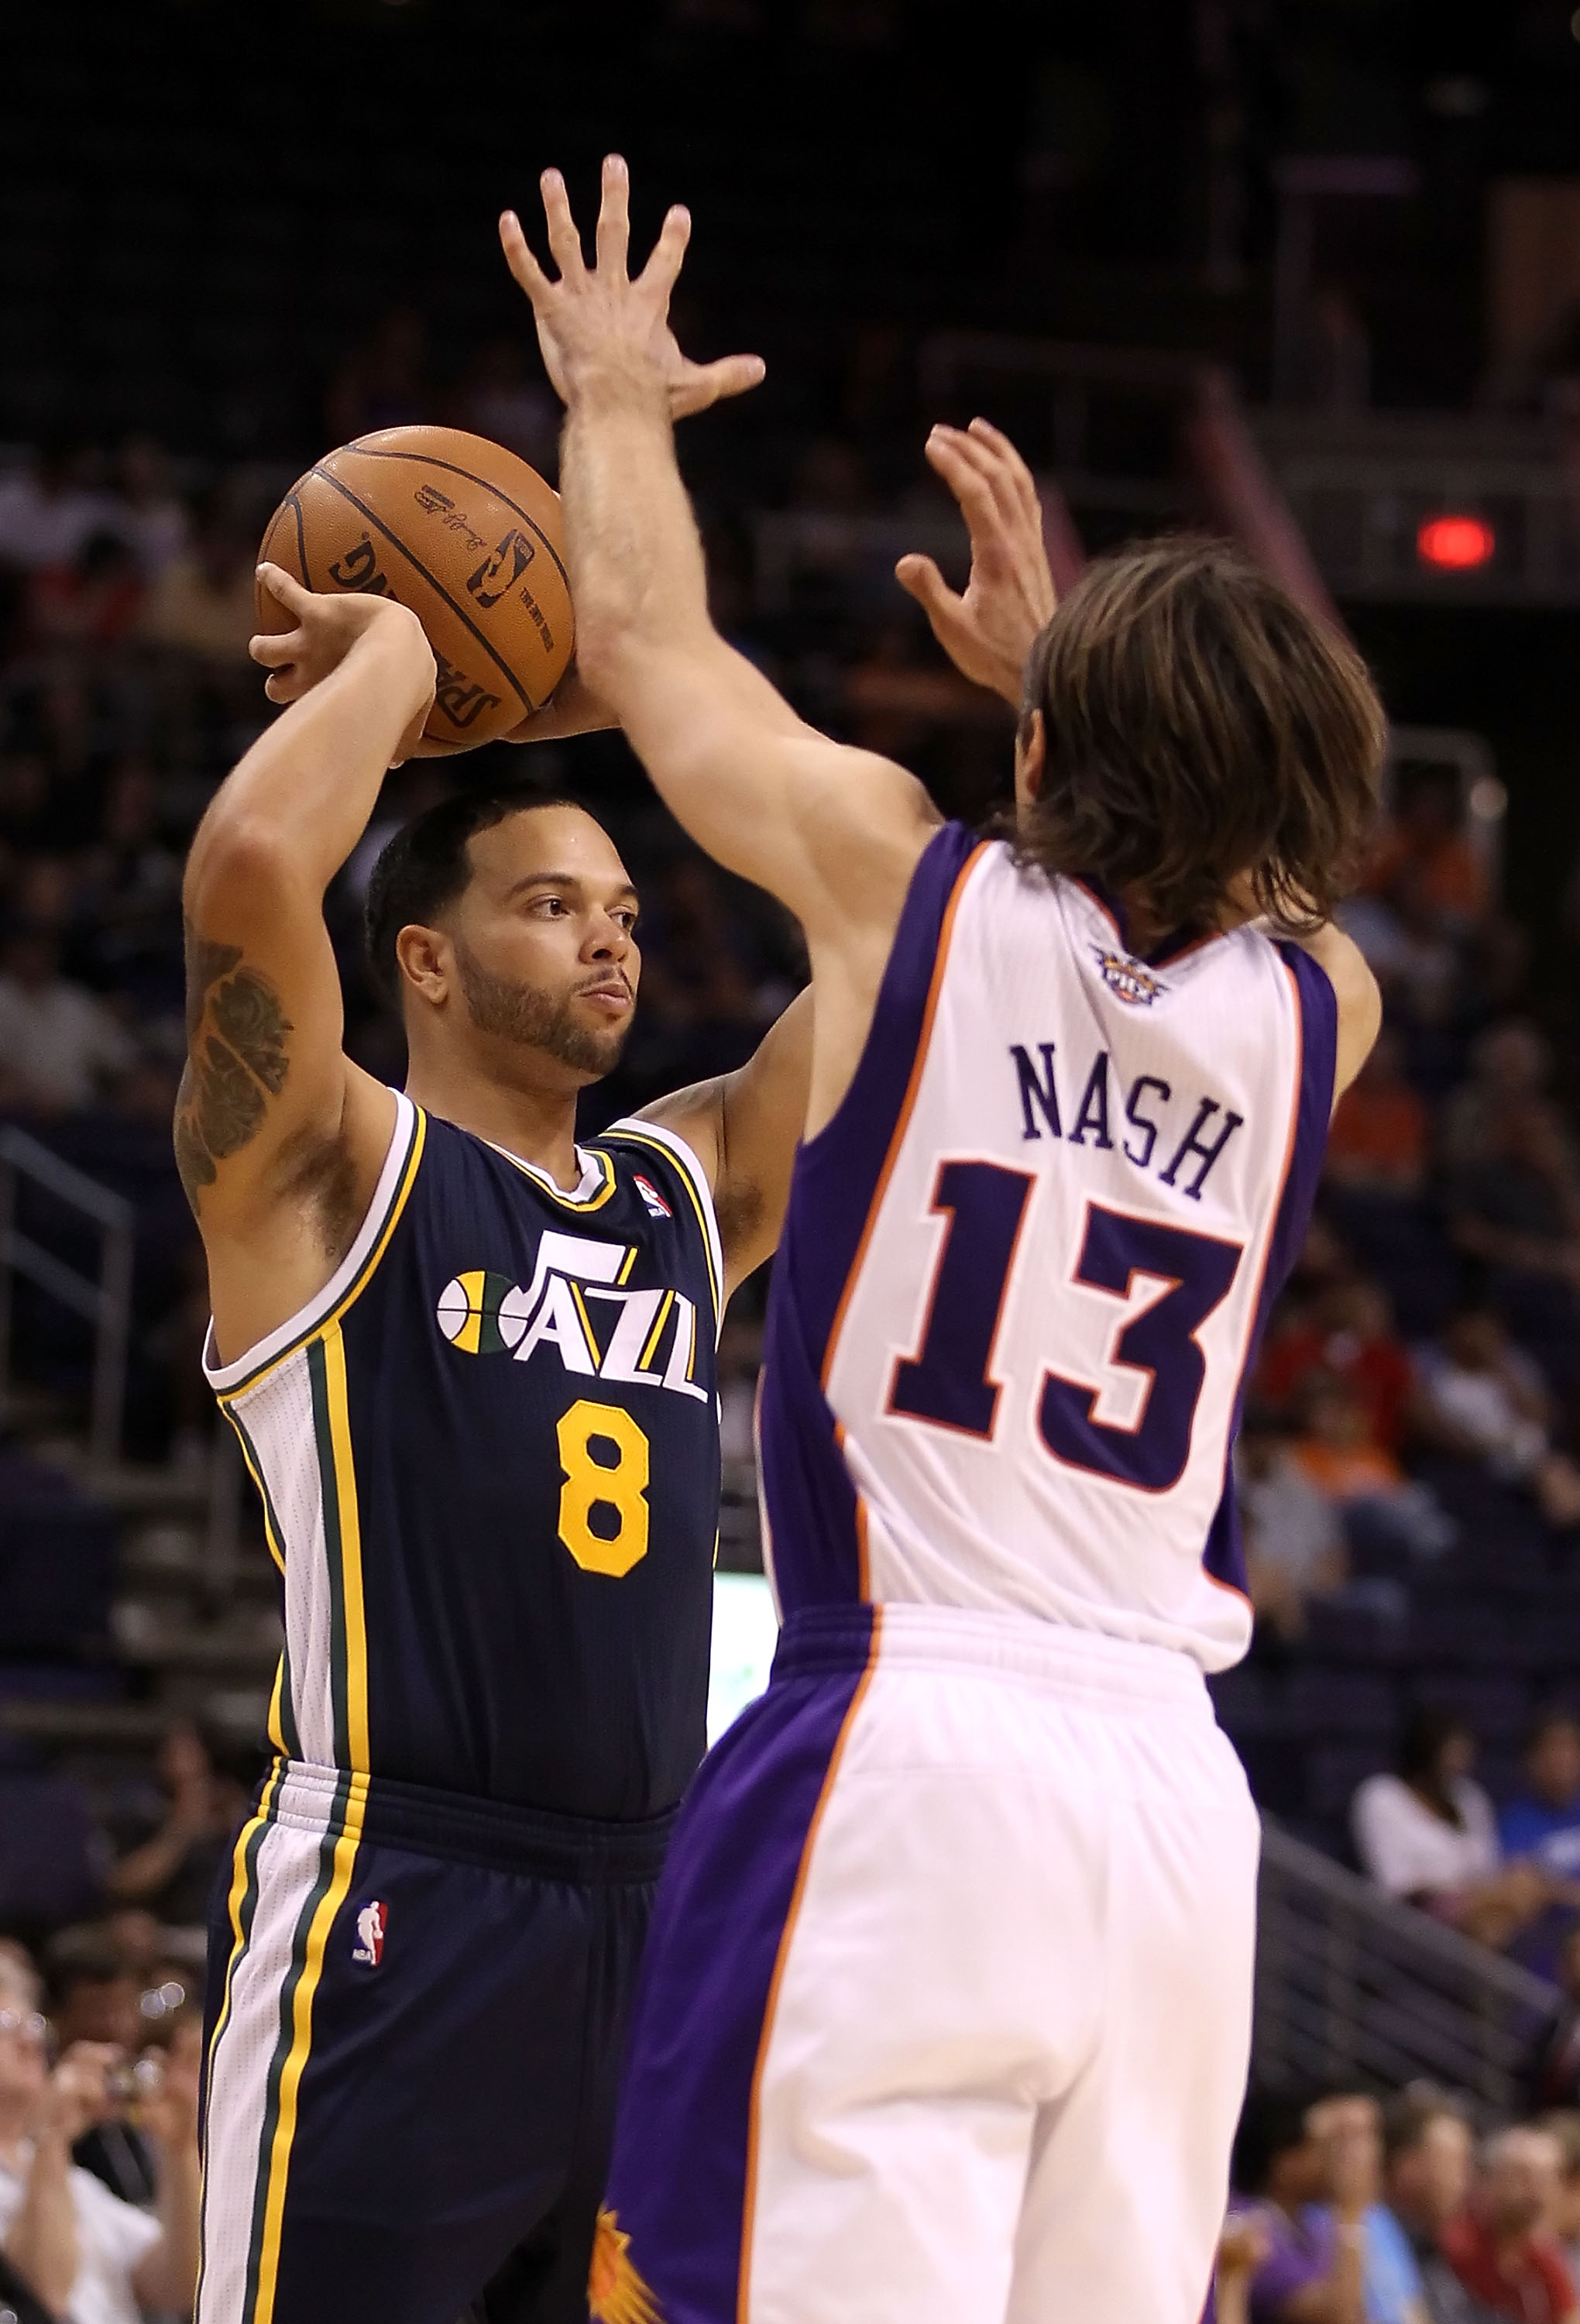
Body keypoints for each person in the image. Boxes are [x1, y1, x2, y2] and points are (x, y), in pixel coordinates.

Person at [501, 155, 1386, 2324]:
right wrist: (1077, 696)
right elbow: (1240, 878)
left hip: (910, 1744)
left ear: (1056, 749)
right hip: (1179, 1823)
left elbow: (637, 642)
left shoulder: (913, 899)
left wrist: (612, 394)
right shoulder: (1319, 1014)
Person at [180, 310, 816, 2324]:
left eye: (628, 907)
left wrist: (632, 488)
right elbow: (261, 862)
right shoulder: (328, 1175)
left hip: (652, 1914)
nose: (613, 931)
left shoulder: (676, 1193)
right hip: (398, 1887)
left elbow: (892, 947)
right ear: (428, 966)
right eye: (555, 903)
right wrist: (391, 665)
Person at [0, 1952, 201, 2324]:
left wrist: (179, 2149)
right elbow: (42, 2298)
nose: (28, 2040)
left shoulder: (73, 2182)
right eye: (5, 2025)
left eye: (31, 2023)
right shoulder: (49, 2162)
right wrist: (52, 2138)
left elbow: (179, 2283)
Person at [1352, 1709, 1552, 1948]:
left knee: (1502, 1914)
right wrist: (1465, 1894)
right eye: (1451, 1753)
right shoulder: (1382, 1796)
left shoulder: (1469, 1797)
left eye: (1464, 1754)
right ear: (1426, 1752)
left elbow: (1489, 1868)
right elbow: (1399, 1884)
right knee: (1496, 1921)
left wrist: (1482, 1894)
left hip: (1477, 1904)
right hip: (1413, 1914)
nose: (1459, 1763)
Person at [1225, 2087, 1381, 2324]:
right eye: (1327, 2146)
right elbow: (1337, 2317)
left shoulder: (1311, 2224)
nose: (1341, 2159)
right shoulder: (1247, 2225)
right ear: (1286, 2163)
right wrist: (1351, 2211)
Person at [105, 1721, 251, 1935]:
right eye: (173, 1751)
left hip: (231, 1926)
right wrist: (183, 1826)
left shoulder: (231, 1803)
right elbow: (125, 1884)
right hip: (163, 1930)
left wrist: (238, 1824)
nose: (180, 1760)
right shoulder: (141, 1807)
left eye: (189, 1751)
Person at [1441, 2127, 1578, 2324]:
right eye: (1523, 2176)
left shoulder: (1547, 2259)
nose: (1536, 2190)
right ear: (1492, 2179)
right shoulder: (1457, 2244)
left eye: (1546, 2178)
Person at [1379, 2087, 1491, 2324]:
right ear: (1408, 2167)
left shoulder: (1430, 2245)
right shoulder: (1367, 2239)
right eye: (1456, 2164)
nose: (1467, 2181)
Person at [1502, 1715, 1580, 1885]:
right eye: (1553, 1748)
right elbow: (1518, 1881)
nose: (1562, 1758)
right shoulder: (1517, 1821)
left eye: (1569, 1747)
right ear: (1533, 1760)